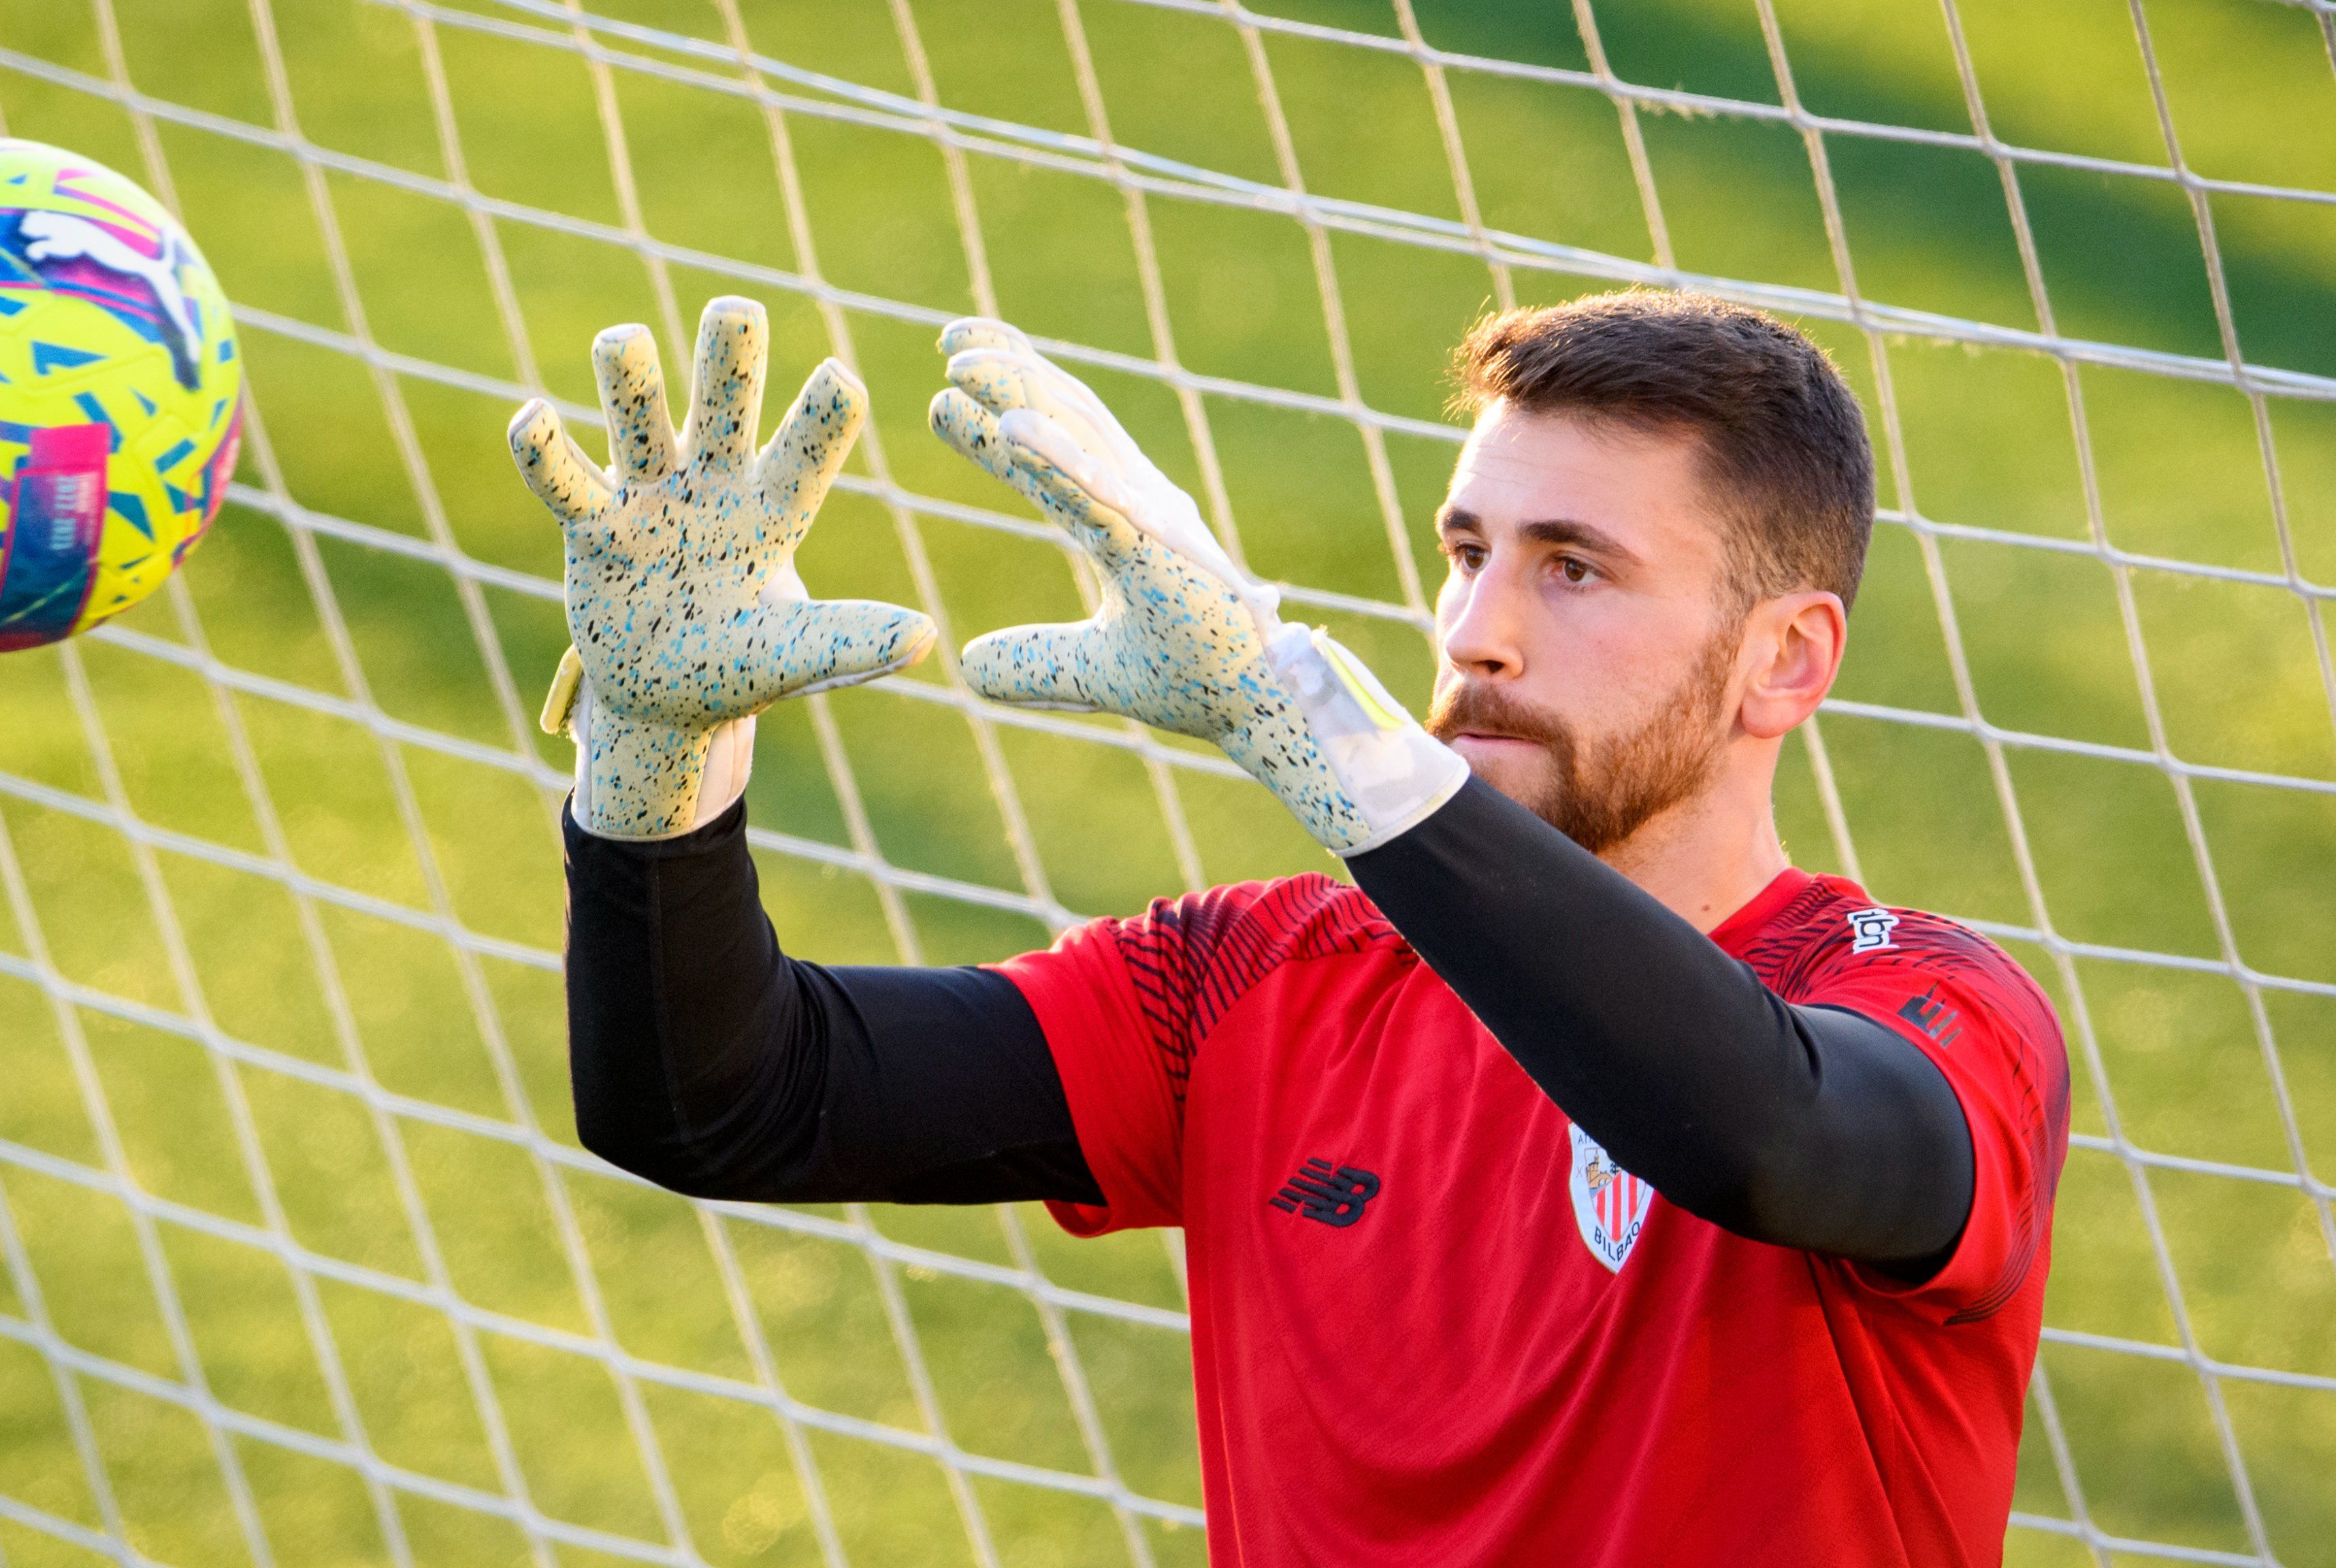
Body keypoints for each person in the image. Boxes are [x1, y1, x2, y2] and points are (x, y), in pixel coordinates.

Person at [507, 288, 2069, 1567]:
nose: (1476, 634)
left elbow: (1766, 1140)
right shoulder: (1251, 986)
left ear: (1783, 663)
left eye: (1573, 570)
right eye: (1467, 554)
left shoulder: (1935, 1008)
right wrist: (653, 765)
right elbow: (716, 1105)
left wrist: (1304, 715)